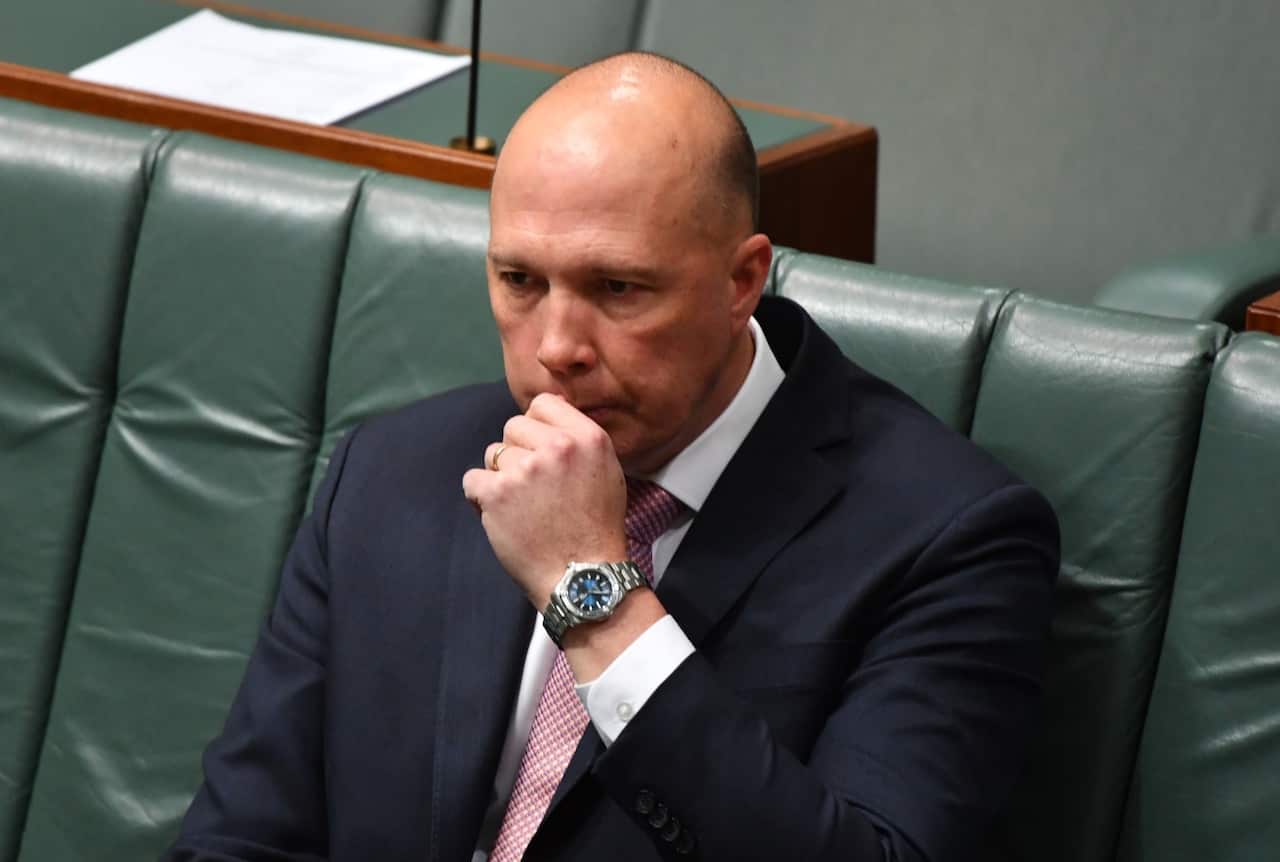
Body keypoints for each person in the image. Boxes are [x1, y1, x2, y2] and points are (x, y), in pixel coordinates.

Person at [165, 52, 1058, 862]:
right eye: (520, 281)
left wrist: (592, 596)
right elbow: (240, 838)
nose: (556, 347)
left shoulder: (949, 539)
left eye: (617, 288)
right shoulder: (392, 472)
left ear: (743, 280)